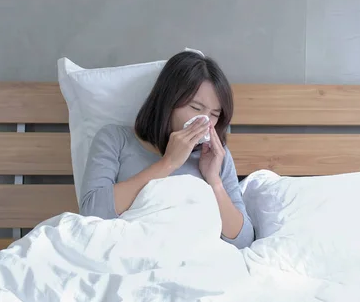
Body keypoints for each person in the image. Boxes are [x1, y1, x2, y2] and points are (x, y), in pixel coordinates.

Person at [79, 50, 254, 249]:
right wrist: (168, 163)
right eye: (196, 108)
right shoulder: (115, 139)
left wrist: (214, 181)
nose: (204, 121)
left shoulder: (215, 155)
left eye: (214, 114)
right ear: (168, 102)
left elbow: (243, 240)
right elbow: (90, 214)